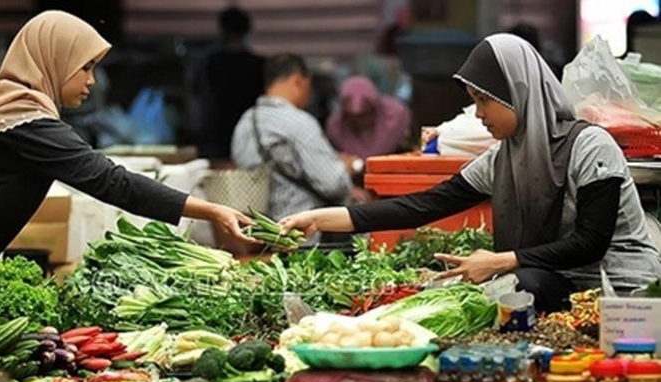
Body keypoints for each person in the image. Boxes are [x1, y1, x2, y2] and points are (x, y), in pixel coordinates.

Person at [280, 33, 661, 313]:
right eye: (474, 102)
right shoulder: (504, 158)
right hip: (567, 284)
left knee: (517, 280)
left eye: (485, 101)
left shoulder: (590, 146)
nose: (478, 114)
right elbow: (425, 205)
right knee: (518, 284)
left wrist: (502, 260)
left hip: (625, 291)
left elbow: (591, 242)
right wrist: (321, 218)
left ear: (519, 91)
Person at [0, 10, 254, 259]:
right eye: (85, 67)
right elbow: (112, 182)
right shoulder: (25, 123)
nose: (92, 81)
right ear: (55, 60)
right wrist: (212, 211)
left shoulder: (3, 108)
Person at [232, 53, 364, 240]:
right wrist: (346, 167)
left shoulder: (244, 123)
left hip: (261, 234)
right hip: (305, 236)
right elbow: (334, 184)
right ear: (298, 81)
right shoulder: (298, 122)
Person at [199, 6, 265, 159]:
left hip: (218, 134)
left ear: (223, 30)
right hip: (251, 133)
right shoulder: (258, 64)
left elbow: (203, 97)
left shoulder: (212, 63)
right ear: (247, 30)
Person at [326, 75, 411, 160]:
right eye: (353, 117)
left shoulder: (396, 119)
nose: (359, 121)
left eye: (365, 115)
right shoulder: (336, 128)